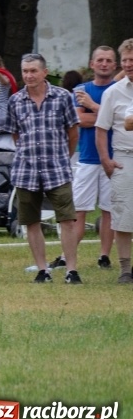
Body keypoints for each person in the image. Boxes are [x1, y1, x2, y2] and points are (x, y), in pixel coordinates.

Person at [6, 53, 81, 284]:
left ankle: (71, 270)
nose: (29, 76)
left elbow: (73, 133)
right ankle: (42, 269)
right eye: (25, 71)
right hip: (26, 171)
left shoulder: (63, 97)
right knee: (31, 221)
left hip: (57, 169)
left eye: (33, 71)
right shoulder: (15, 101)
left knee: (67, 220)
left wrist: (62, 157)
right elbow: (16, 136)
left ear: (44, 72)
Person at [60, 46, 116, 270]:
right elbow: (79, 121)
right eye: (100, 60)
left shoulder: (120, 90)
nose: (104, 64)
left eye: (108, 60)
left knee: (109, 209)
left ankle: (104, 255)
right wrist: (107, 115)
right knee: (79, 210)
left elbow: (121, 119)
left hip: (113, 157)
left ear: (115, 65)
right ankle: (67, 256)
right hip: (87, 158)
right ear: (92, 64)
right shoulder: (81, 89)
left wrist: (92, 107)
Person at [98, 39, 133, 283]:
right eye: (125, 61)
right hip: (124, 158)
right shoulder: (114, 91)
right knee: (122, 214)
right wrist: (106, 161)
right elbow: (101, 129)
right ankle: (125, 270)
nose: (129, 65)